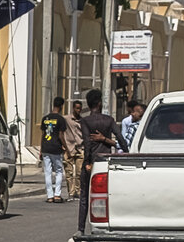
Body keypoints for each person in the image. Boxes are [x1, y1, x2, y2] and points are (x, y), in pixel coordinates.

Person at [76, 88, 123, 232]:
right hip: (106, 162)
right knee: (106, 196)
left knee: (85, 196)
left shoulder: (85, 121)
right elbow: (121, 139)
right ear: (99, 103)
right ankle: (104, 228)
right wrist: (110, 142)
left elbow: (87, 143)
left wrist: (88, 162)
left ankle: (81, 229)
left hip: (92, 162)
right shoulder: (109, 120)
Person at [39, 96, 68, 203]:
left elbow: (42, 135)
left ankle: (49, 196)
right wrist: (65, 147)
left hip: (46, 147)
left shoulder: (45, 118)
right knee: (59, 171)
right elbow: (61, 135)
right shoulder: (61, 119)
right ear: (61, 106)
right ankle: (57, 195)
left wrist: (41, 150)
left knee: (48, 172)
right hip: (56, 147)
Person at [63, 98, 85, 200]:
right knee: (69, 172)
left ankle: (78, 191)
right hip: (69, 148)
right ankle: (71, 192)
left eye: (80, 109)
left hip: (80, 148)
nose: (78, 110)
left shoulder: (83, 121)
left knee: (79, 172)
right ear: (73, 108)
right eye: (76, 108)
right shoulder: (66, 119)